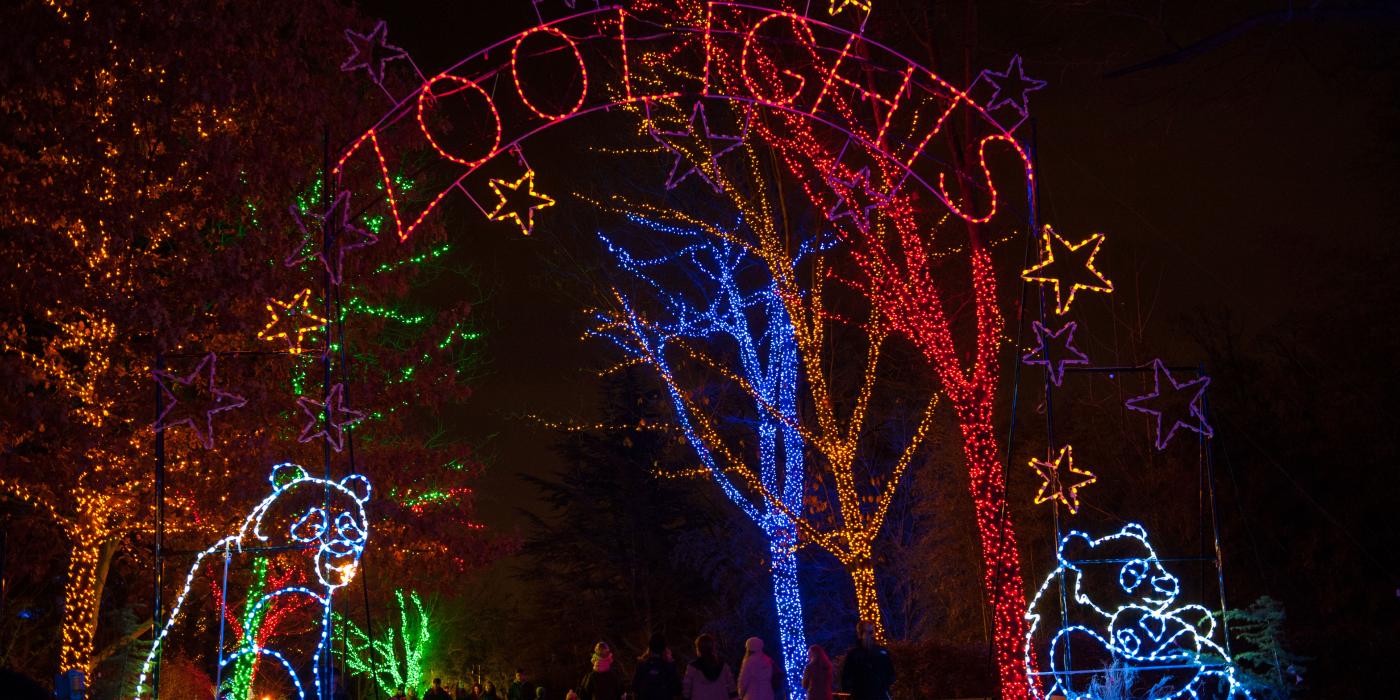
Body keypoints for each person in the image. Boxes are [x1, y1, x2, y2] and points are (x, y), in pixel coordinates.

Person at [839, 621, 895, 700]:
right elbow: (846, 678)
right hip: (865, 695)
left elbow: (891, 674)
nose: (870, 636)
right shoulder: (854, 654)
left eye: (871, 632)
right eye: (868, 632)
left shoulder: (881, 652)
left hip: (876, 695)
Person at [682, 633, 735, 700]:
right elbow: (732, 689)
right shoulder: (724, 666)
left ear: (698, 648)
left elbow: (686, 689)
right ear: (713, 647)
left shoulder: (692, 668)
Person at [634, 632, 682, 700]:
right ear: (664, 648)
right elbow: (677, 690)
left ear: (650, 647)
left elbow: (635, 687)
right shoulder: (669, 666)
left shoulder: (642, 665)